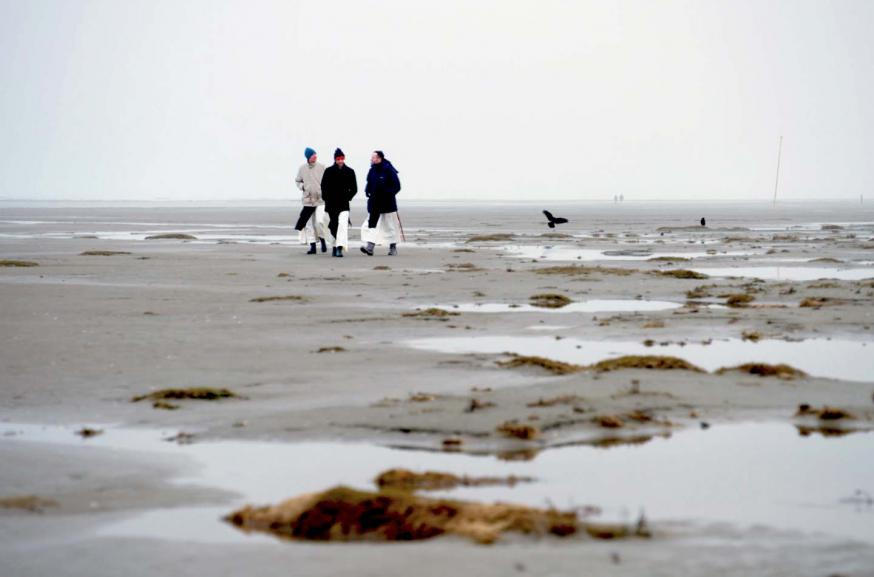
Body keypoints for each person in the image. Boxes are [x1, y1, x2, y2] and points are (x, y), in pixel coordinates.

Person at [361, 150, 401, 256]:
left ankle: (393, 248)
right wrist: (367, 191)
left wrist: (388, 194)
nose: (371, 159)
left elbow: (397, 186)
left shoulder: (389, 170)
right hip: (374, 203)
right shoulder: (372, 170)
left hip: (387, 204)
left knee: (390, 226)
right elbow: (369, 183)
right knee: (371, 225)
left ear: (379, 158)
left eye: (373, 157)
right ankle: (370, 247)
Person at [320, 148, 357, 257]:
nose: (340, 161)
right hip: (331, 205)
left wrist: (348, 197)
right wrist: (326, 198)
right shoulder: (328, 171)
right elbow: (323, 186)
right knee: (333, 226)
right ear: (335, 159)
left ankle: (339, 248)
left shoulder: (350, 171)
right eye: (338, 159)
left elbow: (354, 188)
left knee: (343, 225)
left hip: (344, 204)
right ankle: (334, 246)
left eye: (342, 158)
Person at [294, 147, 328, 254]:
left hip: (320, 199)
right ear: (308, 157)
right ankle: (312, 246)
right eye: (313, 155)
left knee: (319, 221)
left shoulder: (322, 167)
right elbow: (297, 181)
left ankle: (322, 240)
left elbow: (328, 180)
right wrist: (302, 187)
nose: (315, 156)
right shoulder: (302, 168)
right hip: (308, 200)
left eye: (316, 155)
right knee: (308, 225)